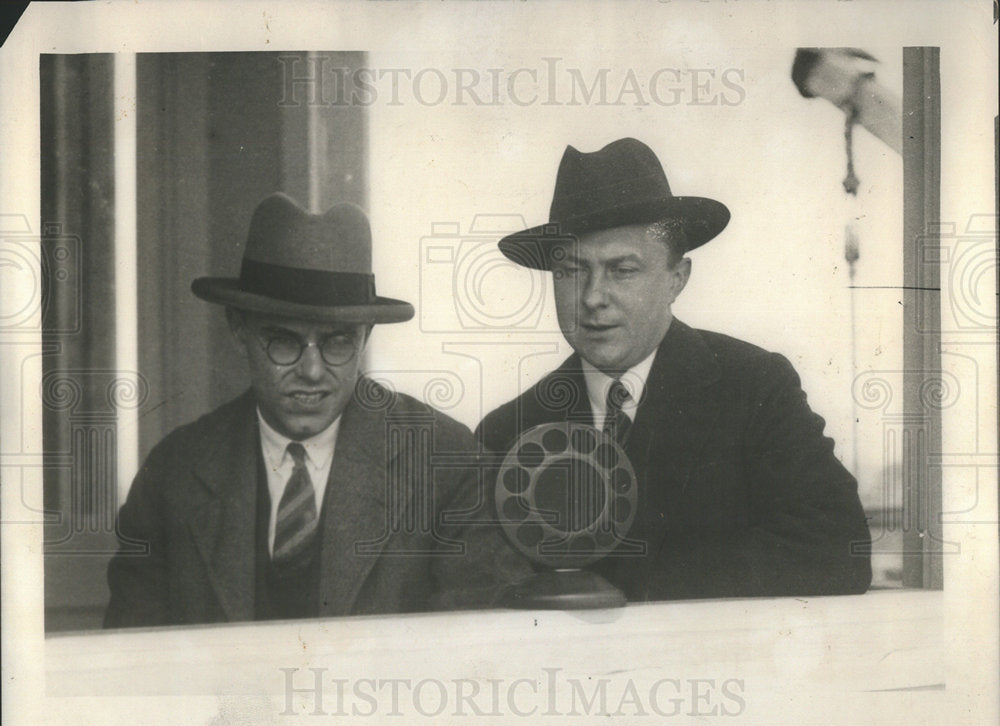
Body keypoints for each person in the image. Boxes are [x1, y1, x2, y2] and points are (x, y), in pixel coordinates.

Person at [105, 194, 527, 628]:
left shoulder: (450, 466)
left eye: (338, 341)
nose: (311, 371)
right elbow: (133, 666)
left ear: (365, 338)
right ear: (239, 330)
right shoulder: (173, 474)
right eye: (284, 340)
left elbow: (477, 660)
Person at [478, 138, 872, 600]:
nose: (591, 297)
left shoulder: (755, 387)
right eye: (571, 272)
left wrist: (633, 586)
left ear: (676, 279)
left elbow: (836, 551)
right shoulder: (507, 431)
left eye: (622, 270)